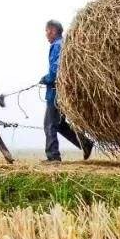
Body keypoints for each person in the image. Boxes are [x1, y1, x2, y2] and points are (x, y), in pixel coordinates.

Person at [40, 19, 93, 162]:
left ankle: (53, 157)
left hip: (55, 92)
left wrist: (46, 79)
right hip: (63, 93)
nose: (46, 34)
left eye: (47, 31)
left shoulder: (57, 46)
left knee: (49, 124)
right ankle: (86, 143)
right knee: (60, 124)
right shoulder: (65, 44)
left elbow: (56, 70)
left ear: (53, 30)